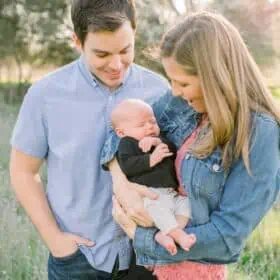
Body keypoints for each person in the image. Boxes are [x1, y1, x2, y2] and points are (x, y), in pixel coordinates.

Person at [101, 11, 280, 279]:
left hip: (186, 267)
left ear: (216, 77)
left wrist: (143, 234)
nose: (173, 91)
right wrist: (121, 183)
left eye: (183, 82)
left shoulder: (259, 133)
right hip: (141, 263)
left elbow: (227, 235)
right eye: (171, 80)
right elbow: (118, 133)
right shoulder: (181, 105)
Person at [9, 0, 170, 279]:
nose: (116, 64)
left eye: (125, 50)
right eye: (102, 54)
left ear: (135, 33)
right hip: (77, 259)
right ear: (77, 41)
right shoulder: (45, 95)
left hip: (147, 254)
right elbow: (23, 171)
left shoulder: (160, 90)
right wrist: (56, 241)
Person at [111, 99, 196, 256]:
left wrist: (157, 142)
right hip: (150, 194)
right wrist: (151, 159)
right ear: (121, 132)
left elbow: (171, 149)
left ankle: (168, 232)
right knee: (158, 209)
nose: (150, 127)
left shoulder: (159, 139)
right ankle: (178, 236)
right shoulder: (127, 144)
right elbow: (128, 166)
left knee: (186, 205)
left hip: (172, 193)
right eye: (141, 125)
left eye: (152, 121)